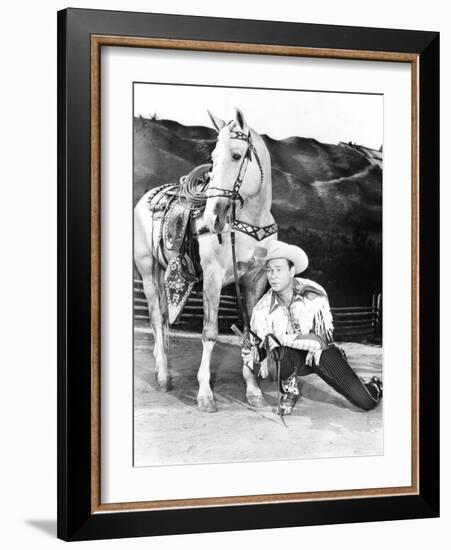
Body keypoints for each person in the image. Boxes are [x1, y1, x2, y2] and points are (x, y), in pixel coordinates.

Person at [241, 240, 383, 415]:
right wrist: (253, 354)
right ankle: (289, 390)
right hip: (291, 359)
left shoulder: (313, 293)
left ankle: (373, 385)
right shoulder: (261, 309)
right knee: (281, 351)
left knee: (366, 402)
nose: (273, 276)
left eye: (279, 269)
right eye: (269, 271)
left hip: (320, 354)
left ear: (292, 271)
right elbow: (262, 349)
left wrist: (280, 338)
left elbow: (321, 342)